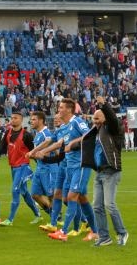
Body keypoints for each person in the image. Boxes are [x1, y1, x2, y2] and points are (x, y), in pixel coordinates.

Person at [78, 96, 129, 246]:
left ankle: (122, 232)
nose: (94, 120)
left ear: (104, 117)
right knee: (97, 206)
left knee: (109, 205)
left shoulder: (113, 128)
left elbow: (112, 118)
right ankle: (104, 237)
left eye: (97, 117)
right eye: (93, 117)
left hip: (111, 171)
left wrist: (104, 104)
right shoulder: (96, 132)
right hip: (99, 172)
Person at [48, 99, 99, 242]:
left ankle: (63, 231)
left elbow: (89, 136)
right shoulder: (65, 126)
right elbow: (60, 144)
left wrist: (73, 143)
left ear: (69, 110)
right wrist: (43, 151)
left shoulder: (77, 122)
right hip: (70, 167)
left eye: (61, 107)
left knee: (71, 197)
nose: (59, 109)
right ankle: (95, 231)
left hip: (81, 165)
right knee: (78, 198)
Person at [0, 112, 42, 226]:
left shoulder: (26, 135)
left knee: (15, 190)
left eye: (15, 118)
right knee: (24, 192)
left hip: (23, 166)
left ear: (21, 120)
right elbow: (0, 148)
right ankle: (38, 214)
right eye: (11, 118)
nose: (12, 120)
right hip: (13, 167)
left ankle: (10, 219)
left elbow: (34, 151)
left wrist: (40, 166)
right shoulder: (8, 133)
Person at [28, 111, 58, 218]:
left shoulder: (46, 134)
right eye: (31, 119)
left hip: (49, 168)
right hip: (40, 168)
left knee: (51, 195)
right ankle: (52, 213)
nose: (31, 121)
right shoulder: (37, 134)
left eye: (34, 119)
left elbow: (47, 154)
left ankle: (56, 217)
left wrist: (30, 155)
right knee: (35, 194)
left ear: (41, 120)